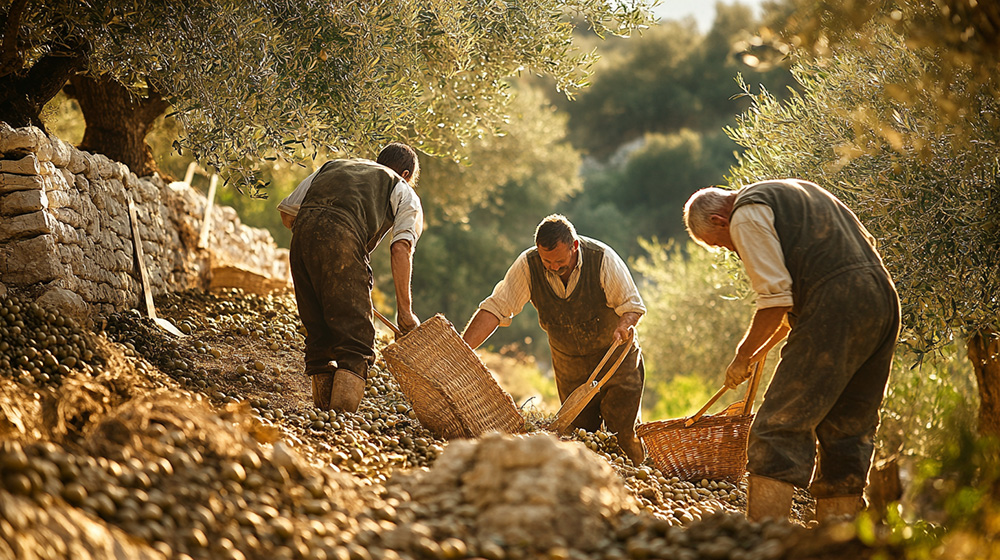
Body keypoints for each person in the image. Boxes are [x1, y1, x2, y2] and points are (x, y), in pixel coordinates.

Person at [683, 179, 900, 522]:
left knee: (777, 427)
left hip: (836, 303)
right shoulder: (797, 192)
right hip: (881, 301)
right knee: (847, 429)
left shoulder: (745, 215)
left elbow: (774, 301)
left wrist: (741, 354)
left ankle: (766, 538)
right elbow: (788, 316)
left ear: (718, 222)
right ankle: (838, 540)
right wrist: (755, 354)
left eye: (721, 246)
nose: (732, 251)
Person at [462, 215, 647, 465]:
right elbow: (496, 308)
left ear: (575, 246)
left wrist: (624, 325)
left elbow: (632, 306)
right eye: (546, 261)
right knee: (581, 439)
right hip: (570, 367)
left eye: (560, 260)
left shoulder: (602, 258)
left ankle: (639, 480)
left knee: (623, 435)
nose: (552, 266)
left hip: (615, 361)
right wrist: (462, 349)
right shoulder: (528, 264)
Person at [279, 142, 423, 414]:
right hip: (344, 241)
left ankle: (322, 414)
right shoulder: (402, 189)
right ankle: (338, 423)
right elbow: (401, 248)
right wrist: (405, 313)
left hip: (302, 242)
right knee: (356, 345)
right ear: (406, 175)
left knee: (318, 336)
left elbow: (288, 215)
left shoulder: (334, 166)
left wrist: (316, 243)